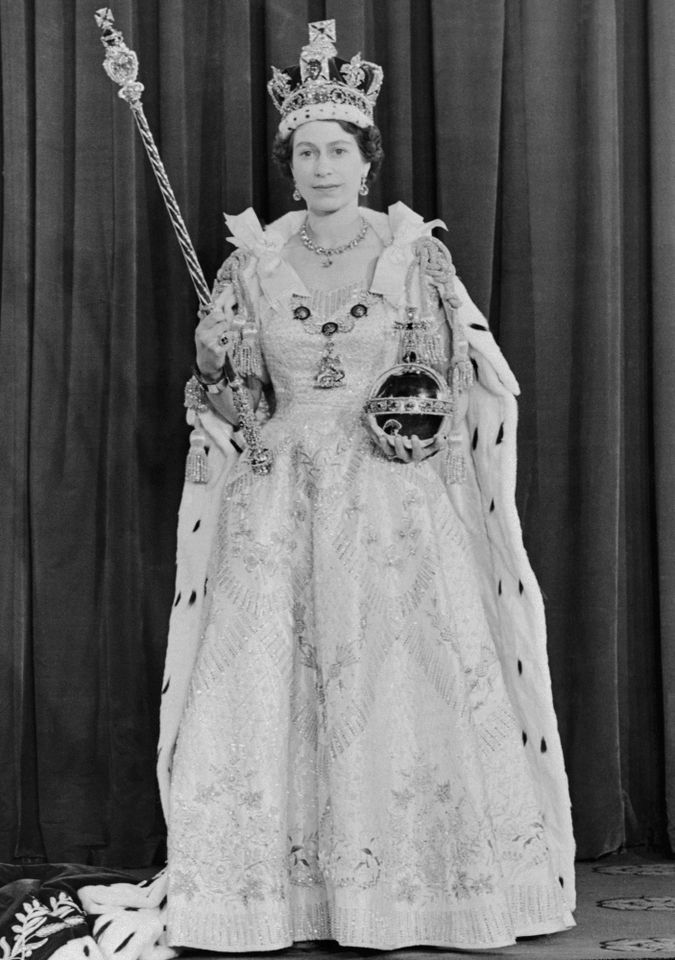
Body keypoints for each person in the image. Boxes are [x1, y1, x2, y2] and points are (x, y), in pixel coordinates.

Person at [150, 19, 576, 954]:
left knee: (396, 672)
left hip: (392, 494)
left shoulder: (413, 253)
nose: (321, 166)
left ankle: (419, 890)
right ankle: (273, 893)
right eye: (305, 151)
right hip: (279, 494)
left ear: (366, 158)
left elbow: (448, 376)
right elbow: (240, 402)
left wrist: (408, 419)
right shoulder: (248, 260)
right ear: (288, 161)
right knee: (274, 676)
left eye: (337, 149)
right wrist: (214, 361)